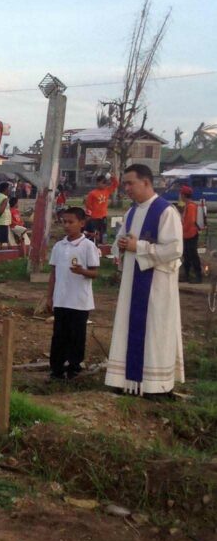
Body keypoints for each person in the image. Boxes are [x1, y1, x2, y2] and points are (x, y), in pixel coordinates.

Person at [105, 164, 184, 396]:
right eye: (124, 184)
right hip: (132, 283)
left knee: (155, 330)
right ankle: (125, 381)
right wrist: (120, 246)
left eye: (130, 183)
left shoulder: (165, 211)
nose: (126, 189)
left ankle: (154, 386)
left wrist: (137, 246)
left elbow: (175, 249)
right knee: (128, 326)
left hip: (157, 286)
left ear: (146, 183)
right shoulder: (131, 212)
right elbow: (120, 241)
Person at [46, 207, 99, 380]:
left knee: (76, 335)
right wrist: (49, 296)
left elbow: (94, 273)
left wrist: (82, 271)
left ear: (82, 223)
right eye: (64, 222)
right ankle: (56, 367)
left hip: (79, 301)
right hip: (61, 299)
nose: (67, 225)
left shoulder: (88, 246)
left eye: (71, 222)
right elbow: (53, 273)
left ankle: (74, 366)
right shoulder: (59, 246)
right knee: (59, 334)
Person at [84, 173, 118, 243]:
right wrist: (89, 216)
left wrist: (111, 177)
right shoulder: (92, 193)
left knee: (103, 232)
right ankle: (93, 244)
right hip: (94, 217)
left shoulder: (107, 191)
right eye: (103, 182)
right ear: (98, 183)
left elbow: (116, 184)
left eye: (105, 183)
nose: (104, 184)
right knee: (95, 233)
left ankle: (102, 244)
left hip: (103, 217)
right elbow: (88, 205)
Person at [179, 184, 203, 283]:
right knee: (187, 255)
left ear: (184, 195)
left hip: (191, 235)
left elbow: (190, 222)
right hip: (187, 235)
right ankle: (187, 275)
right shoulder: (188, 205)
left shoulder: (191, 206)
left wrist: (181, 230)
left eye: (181, 194)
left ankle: (198, 276)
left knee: (193, 255)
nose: (180, 196)